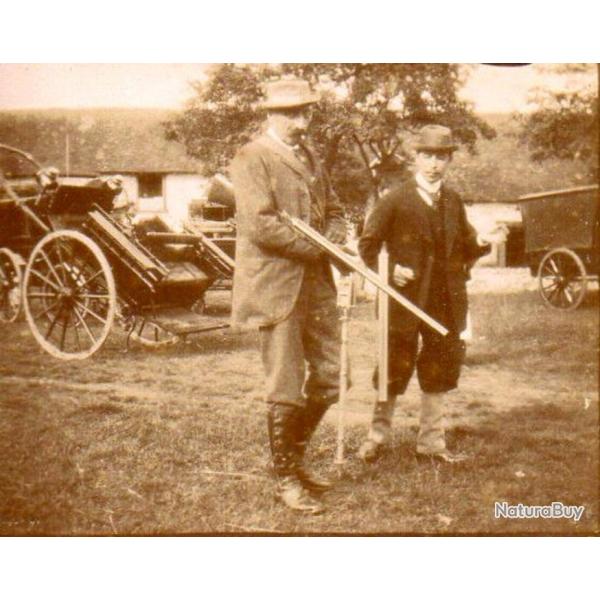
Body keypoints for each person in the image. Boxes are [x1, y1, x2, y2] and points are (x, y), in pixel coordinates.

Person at [230, 78, 347, 514]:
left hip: (316, 284)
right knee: (284, 385)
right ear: (272, 114)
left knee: (333, 376)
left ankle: (294, 460)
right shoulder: (252, 157)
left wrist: (332, 238)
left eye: (307, 112)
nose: (303, 121)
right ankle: (285, 479)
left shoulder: (310, 155)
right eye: (293, 113)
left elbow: (335, 209)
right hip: (276, 286)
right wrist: (320, 247)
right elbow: (260, 225)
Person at [357, 124, 505, 464]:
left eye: (441, 157)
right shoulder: (393, 200)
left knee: (440, 367)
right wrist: (390, 269)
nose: (434, 164)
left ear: (449, 160)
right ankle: (376, 437)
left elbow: (467, 244)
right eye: (427, 156)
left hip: (445, 299)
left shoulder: (453, 201)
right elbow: (367, 246)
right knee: (393, 364)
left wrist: (484, 241)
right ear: (415, 157)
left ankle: (432, 444)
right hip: (403, 299)